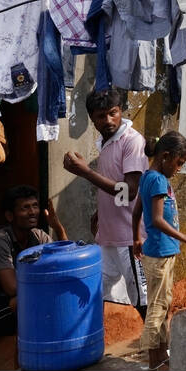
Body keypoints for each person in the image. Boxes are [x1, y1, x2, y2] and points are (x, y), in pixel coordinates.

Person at [62, 88, 148, 319]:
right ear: (92, 119)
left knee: (142, 299)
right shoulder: (106, 143)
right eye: (101, 116)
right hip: (109, 234)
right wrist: (99, 213)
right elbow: (114, 184)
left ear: (121, 112)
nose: (108, 120)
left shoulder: (132, 141)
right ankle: (92, 344)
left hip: (130, 236)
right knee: (95, 291)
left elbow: (129, 191)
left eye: (113, 113)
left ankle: (162, 351)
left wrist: (86, 173)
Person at [130, 132, 186, 370]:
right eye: (179, 163)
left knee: (163, 305)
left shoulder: (149, 177)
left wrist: (136, 238)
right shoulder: (158, 180)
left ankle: (162, 357)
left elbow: (136, 213)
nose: (179, 169)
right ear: (165, 157)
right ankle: (155, 362)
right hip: (160, 254)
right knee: (157, 309)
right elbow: (158, 219)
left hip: (160, 252)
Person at [0, 185, 67, 336]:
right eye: (25, 208)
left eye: (35, 206)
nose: (32, 212)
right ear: (10, 216)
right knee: (25, 300)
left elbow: (66, 264)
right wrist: (51, 284)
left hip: (8, 305)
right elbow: (12, 288)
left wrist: (58, 228)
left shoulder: (38, 236)